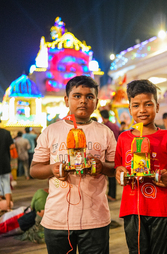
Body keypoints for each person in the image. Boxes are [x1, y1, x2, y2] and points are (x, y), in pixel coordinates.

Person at [30, 75, 116, 254]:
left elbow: (116, 168)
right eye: (77, 96)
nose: (83, 101)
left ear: (96, 101)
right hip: (57, 220)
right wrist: (53, 169)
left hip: (95, 219)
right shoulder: (51, 131)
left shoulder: (104, 132)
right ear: (66, 100)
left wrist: (101, 167)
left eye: (89, 96)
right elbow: (35, 169)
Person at [115, 79, 167, 254]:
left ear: (157, 106)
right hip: (132, 210)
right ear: (129, 109)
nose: (142, 110)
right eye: (136, 105)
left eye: (148, 104)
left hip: (162, 209)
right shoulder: (124, 139)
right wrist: (120, 173)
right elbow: (118, 169)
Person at [100, 109, 119, 202]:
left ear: (102, 117)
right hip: (116, 151)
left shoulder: (105, 127)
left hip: (109, 152)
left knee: (110, 174)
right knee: (113, 174)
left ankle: (111, 195)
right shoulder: (114, 125)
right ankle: (112, 195)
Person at [0, 120, 14, 211]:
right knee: (6, 184)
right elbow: (12, 146)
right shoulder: (6, 133)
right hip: (5, 161)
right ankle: (8, 206)